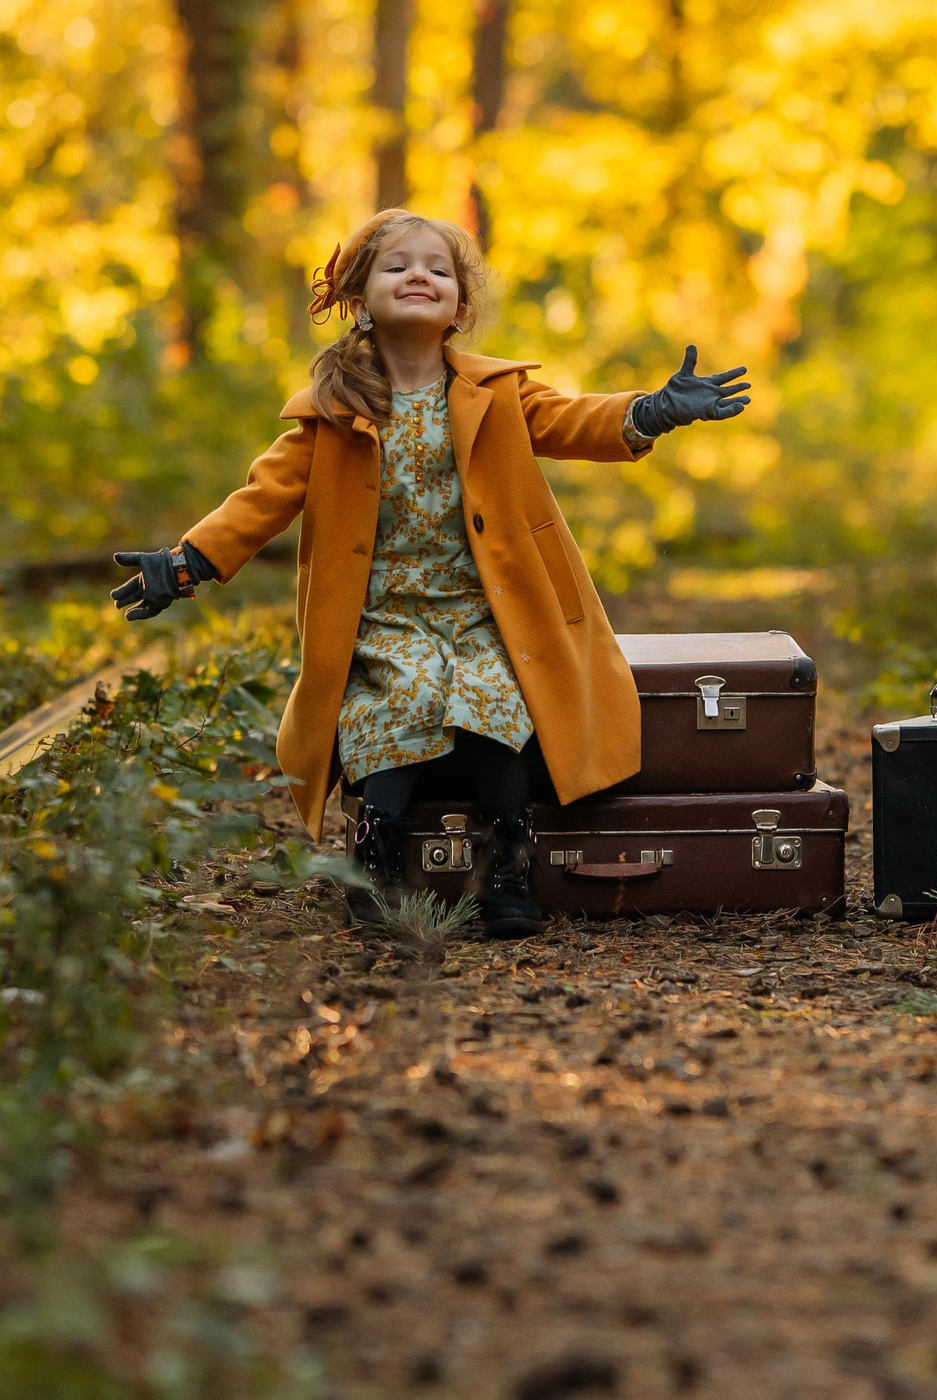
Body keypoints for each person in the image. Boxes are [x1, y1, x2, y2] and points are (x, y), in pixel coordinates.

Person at [109, 208, 749, 938]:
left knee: (494, 703)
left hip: (485, 611)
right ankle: (373, 866)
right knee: (398, 703)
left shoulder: (498, 393)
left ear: (459, 305)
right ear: (358, 298)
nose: (420, 276)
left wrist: (652, 410)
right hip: (385, 616)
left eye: (439, 269)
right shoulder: (332, 414)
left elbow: (575, 421)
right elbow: (261, 501)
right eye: (398, 266)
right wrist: (187, 562)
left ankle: (508, 863)